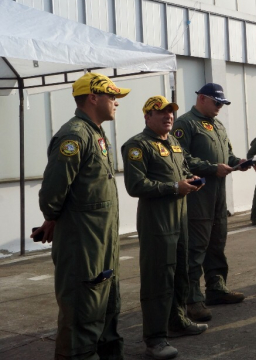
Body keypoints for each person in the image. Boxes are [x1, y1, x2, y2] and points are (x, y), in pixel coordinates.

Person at [35, 72, 129, 359]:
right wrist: (52, 216)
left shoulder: (95, 132)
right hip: (83, 243)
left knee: (105, 307)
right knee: (82, 312)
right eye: (112, 96)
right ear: (93, 97)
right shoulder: (75, 135)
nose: (116, 102)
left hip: (101, 242)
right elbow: (52, 191)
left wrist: (52, 219)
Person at [122, 96, 208, 359]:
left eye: (170, 112)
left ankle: (177, 321)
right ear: (147, 116)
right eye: (161, 112)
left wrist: (190, 180)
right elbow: (135, 186)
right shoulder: (138, 145)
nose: (168, 116)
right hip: (157, 222)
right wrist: (174, 187)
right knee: (158, 278)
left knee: (181, 271)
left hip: (179, 218)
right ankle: (155, 339)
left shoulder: (174, 143)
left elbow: (180, 172)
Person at [171, 83, 247, 323]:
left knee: (217, 242)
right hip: (198, 194)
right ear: (202, 98)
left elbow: (228, 155)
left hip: (217, 194)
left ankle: (216, 287)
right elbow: (180, 158)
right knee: (197, 247)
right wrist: (212, 168)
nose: (219, 108)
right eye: (217, 103)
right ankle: (192, 300)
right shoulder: (185, 124)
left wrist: (240, 162)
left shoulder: (217, 126)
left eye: (222, 104)